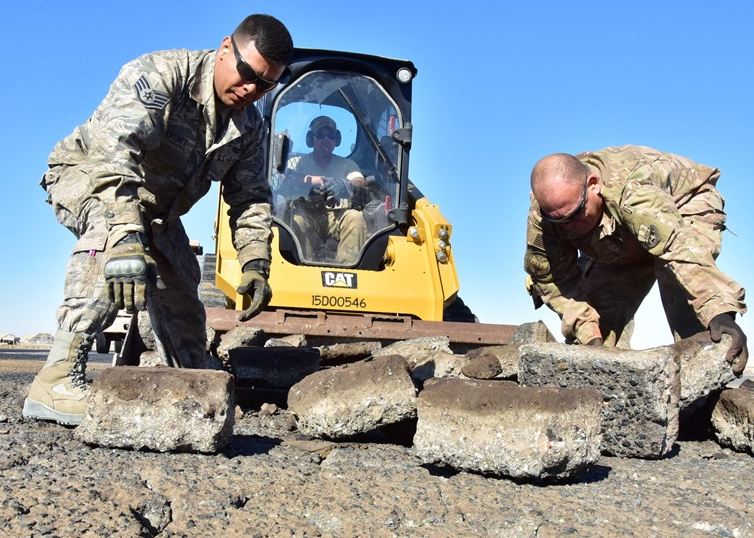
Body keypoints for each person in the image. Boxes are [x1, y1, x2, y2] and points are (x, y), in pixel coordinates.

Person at [23, 14, 294, 425]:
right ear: (225, 49)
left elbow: (251, 197)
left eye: (265, 85)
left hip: (157, 210)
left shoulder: (249, 127)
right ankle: (56, 378)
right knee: (115, 241)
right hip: (92, 175)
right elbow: (115, 157)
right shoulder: (161, 74)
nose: (250, 89)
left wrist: (256, 263)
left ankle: (190, 378)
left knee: (181, 286)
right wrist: (127, 237)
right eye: (245, 73)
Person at [524, 145, 748, 374]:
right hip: (619, 233)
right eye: (561, 222)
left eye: (575, 215)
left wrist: (718, 309)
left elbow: (678, 249)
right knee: (598, 332)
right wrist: (589, 334)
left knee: (684, 296)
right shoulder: (545, 217)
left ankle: (701, 387)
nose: (570, 227)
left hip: (684, 207)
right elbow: (554, 280)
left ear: (594, 185)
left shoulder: (633, 194)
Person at [284, 116, 368, 264]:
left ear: (337, 140)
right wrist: (310, 186)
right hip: (307, 215)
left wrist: (345, 184)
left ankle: (346, 270)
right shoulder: (297, 163)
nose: (326, 139)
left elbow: (359, 181)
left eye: (331, 136)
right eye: (320, 135)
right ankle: (305, 270)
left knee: (355, 218)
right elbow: (288, 181)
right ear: (311, 139)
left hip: (337, 217)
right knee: (297, 219)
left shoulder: (347, 165)